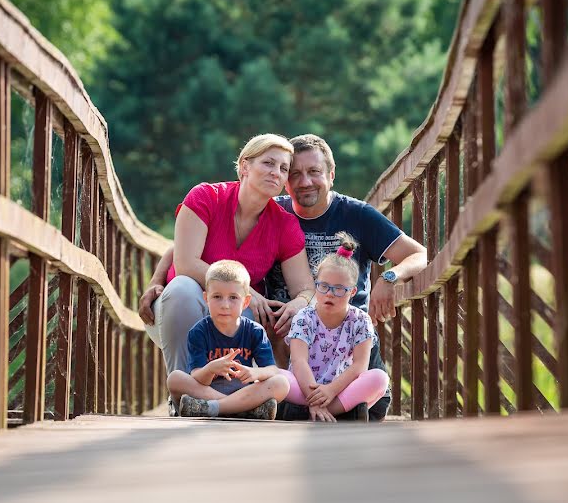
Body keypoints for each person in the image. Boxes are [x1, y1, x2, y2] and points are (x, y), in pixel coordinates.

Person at [266, 134, 429, 422]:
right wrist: (158, 280)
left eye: (314, 172)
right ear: (285, 179)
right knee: (274, 330)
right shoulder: (270, 210)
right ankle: (313, 403)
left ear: (331, 174)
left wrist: (389, 277)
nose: (305, 181)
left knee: (376, 396)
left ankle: (312, 406)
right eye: (295, 174)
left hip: (347, 342)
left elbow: (418, 254)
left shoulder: (357, 215)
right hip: (289, 339)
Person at [142, 134, 315, 379]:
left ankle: (224, 396)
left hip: (233, 317)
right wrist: (249, 292)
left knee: (240, 309)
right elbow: (184, 262)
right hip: (176, 313)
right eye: (268, 163)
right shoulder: (205, 197)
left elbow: (306, 288)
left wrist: (299, 302)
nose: (276, 172)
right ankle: (183, 392)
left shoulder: (284, 225)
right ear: (245, 166)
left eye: (284, 168)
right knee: (182, 288)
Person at [281, 234, 389, 422]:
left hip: (340, 389)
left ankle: (312, 412)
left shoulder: (360, 320)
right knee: (277, 379)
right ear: (316, 285)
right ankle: (336, 412)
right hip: (304, 387)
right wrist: (314, 399)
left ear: (353, 292)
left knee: (379, 379)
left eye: (339, 289)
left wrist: (331, 390)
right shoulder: (304, 317)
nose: (329, 294)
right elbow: (299, 362)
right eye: (323, 286)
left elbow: (359, 366)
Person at [167, 260, 290, 420]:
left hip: (244, 391)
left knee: (281, 383)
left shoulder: (255, 331)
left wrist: (255, 373)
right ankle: (242, 410)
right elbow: (197, 376)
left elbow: (271, 369)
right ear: (206, 298)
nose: (225, 305)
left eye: (233, 297)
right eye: (217, 297)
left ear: (246, 301)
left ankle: (213, 408)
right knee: (175, 379)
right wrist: (211, 369)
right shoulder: (199, 332)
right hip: (208, 392)